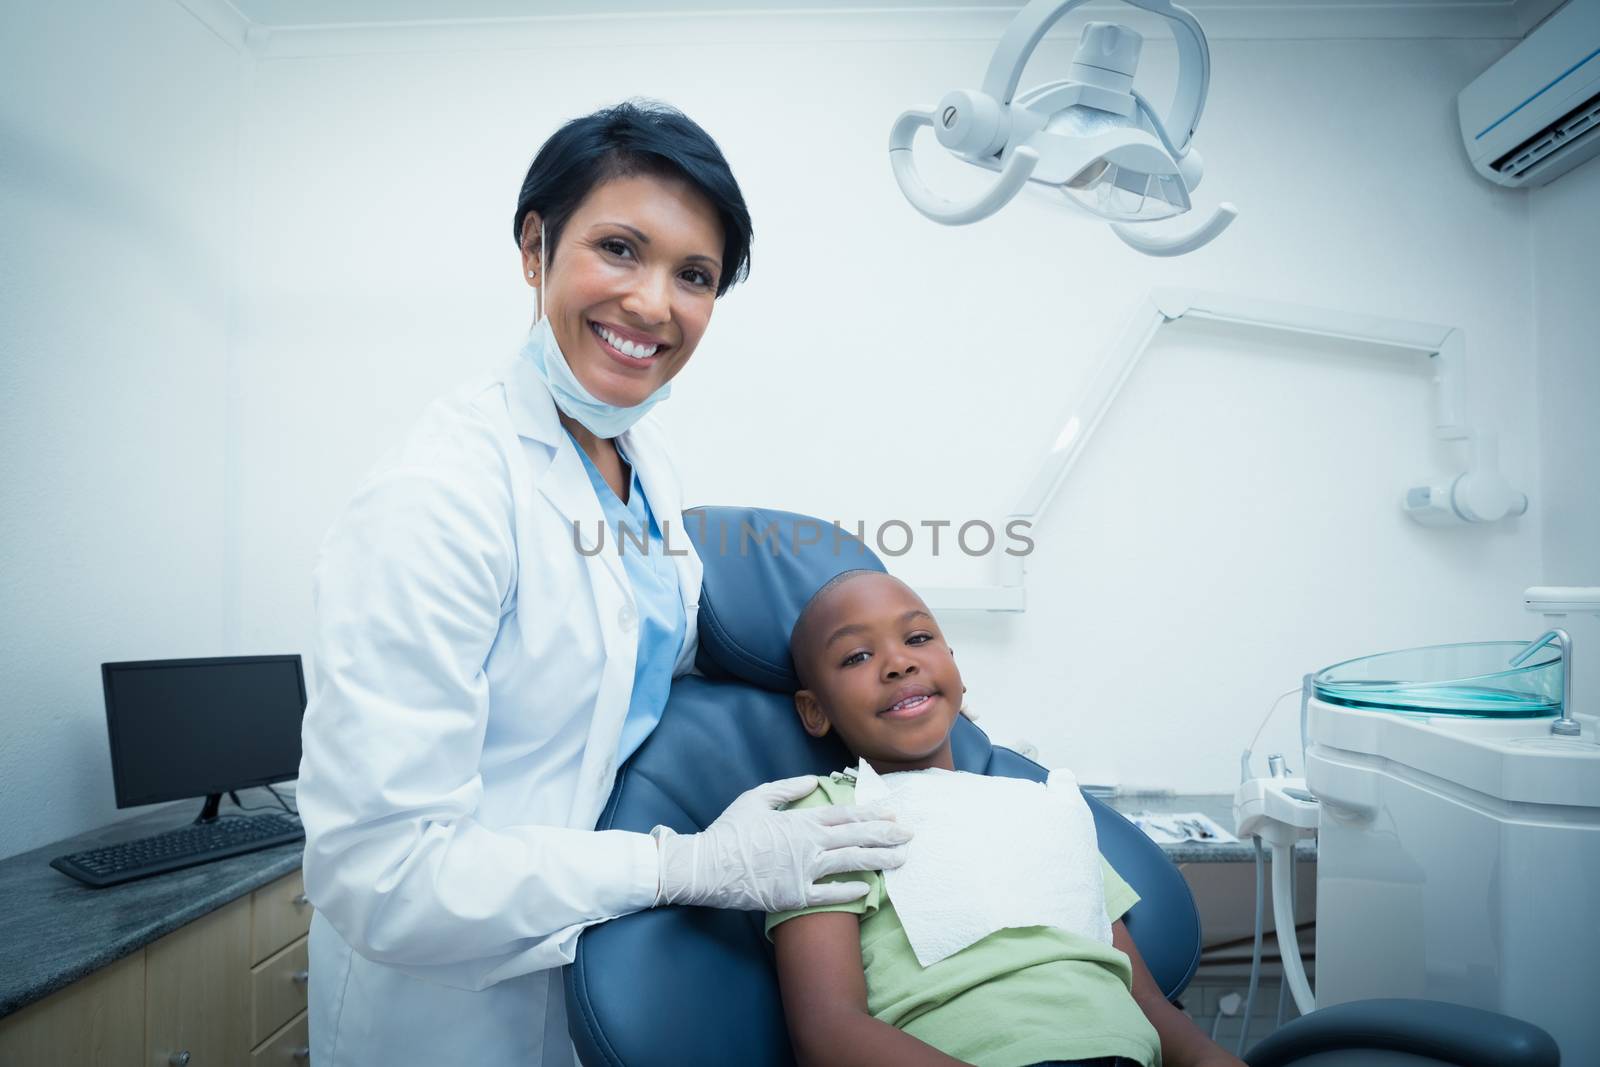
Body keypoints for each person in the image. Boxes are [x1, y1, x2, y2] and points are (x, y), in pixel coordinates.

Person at [296, 102, 910, 1067]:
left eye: (694, 275)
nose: (654, 304)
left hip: (606, 966)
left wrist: (877, 677)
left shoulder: (641, 455)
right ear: (535, 247)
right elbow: (383, 874)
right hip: (451, 1009)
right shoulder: (436, 499)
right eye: (619, 248)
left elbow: (632, 643)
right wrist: (686, 864)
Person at [768, 569, 1248, 1067]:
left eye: (917, 638)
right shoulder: (825, 816)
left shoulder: (1042, 809)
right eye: (857, 656)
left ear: (954, 665)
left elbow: (1144, 999)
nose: (898, 662)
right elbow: (828, 1031)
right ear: (814, 710)